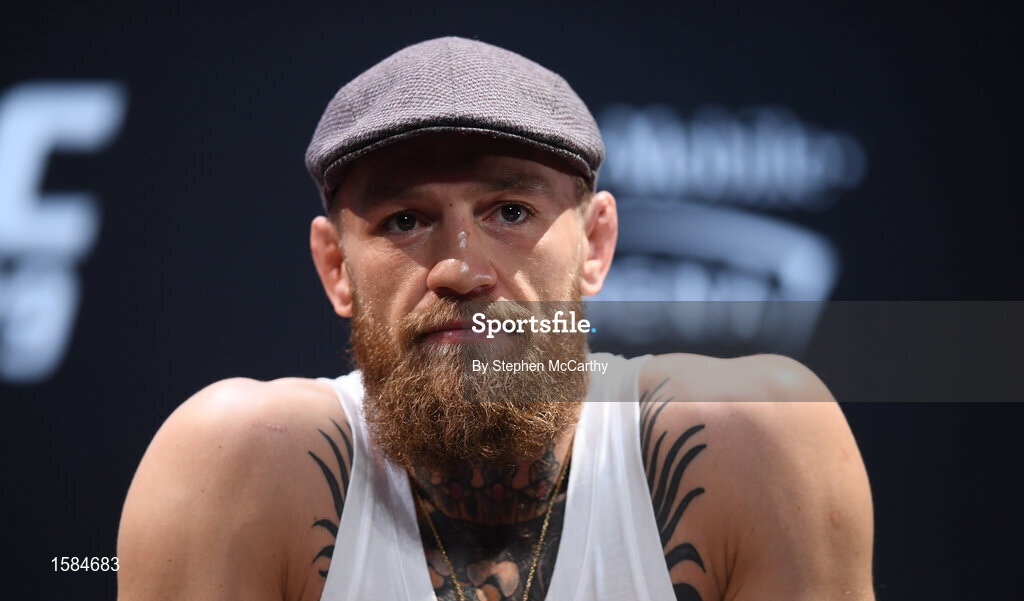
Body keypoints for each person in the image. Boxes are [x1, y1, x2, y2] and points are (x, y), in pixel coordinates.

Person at [117, 37, 874, 601]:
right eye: (405, 219)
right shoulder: (237, 468)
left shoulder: (756, 443)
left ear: (596, 243)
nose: (462, 268)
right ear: (335, 268)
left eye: (510, 211)